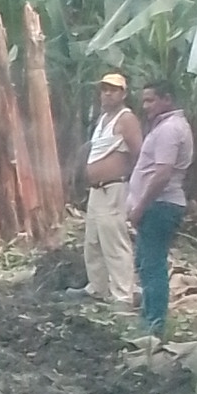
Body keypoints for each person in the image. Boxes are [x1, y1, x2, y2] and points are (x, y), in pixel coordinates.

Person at [126, 76, 193, 339]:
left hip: (160, 205)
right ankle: (149, 318)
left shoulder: (169, 130)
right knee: (146, 262)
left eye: (151, 100)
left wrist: (140, 206)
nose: (146, 106)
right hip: (160, 205)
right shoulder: (169, 127)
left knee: (152, 264)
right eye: (144, 101)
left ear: (167, 99)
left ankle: (154, 324)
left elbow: (162, 173)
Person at [82, 66, 141, 311]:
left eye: (113, 90)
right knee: (93, 242)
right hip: (97, 190)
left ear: (123, 94)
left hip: (113, 189)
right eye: (104, 89)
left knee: (115, 243)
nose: (107, 94)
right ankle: (97, 287)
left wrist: (133, 184)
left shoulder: (126, 119)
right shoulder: (103, 119)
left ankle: (123, 296)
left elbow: (138, 153)